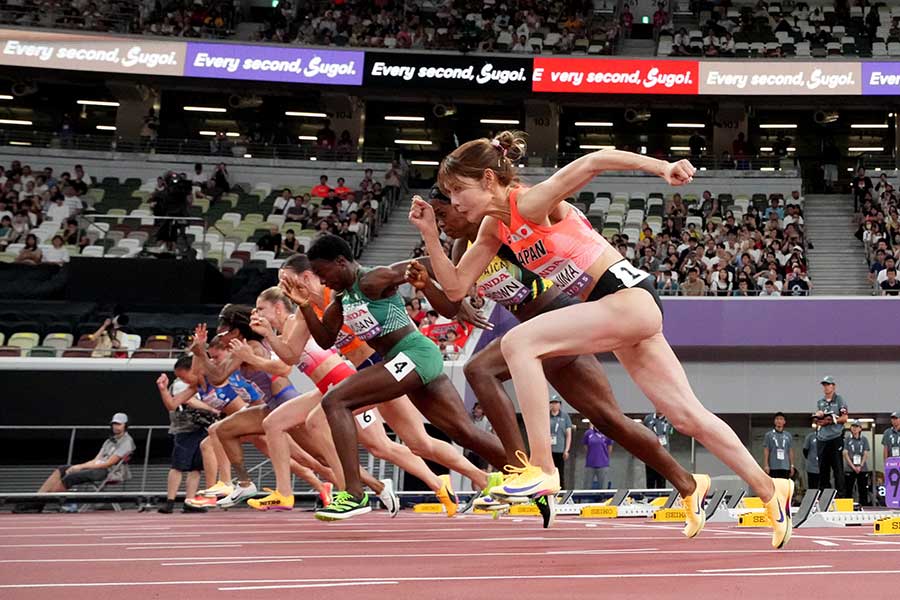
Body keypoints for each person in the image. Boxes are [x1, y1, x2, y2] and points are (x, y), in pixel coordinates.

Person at [412, 131, 792, 548]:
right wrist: (431, 234)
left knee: (520, 344)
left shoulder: (531, 202)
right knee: (687, 417)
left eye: (457, 190)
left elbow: (596, 160)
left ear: (488, 179)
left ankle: (542, 468)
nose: (454, 201)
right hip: (618, 312)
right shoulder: (491, 230)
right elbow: (454, 288)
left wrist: (663, 167)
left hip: (629, 299)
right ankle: (772, 490)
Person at [411, 188, 708, 532]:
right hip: (540, 335)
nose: (442, 222)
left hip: (560, 315)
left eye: (443, 212)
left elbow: (522, 207)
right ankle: (689, 484)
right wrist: (427, 285)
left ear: (465, 203)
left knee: (479, 369)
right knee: (607, 419)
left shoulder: (496, 228)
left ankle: (520, 469)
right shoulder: (463, 249)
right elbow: (451, 302)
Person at [286, 234, 506, 520]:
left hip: (415, 354)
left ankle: (354, 494)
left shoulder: (372, 280)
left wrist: (456, 299)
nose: (323, 281)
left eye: (322, 273)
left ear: (340, 262)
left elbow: (424, 263)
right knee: (462, 431)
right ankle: (520, 470)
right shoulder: (342, 300)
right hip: (403, 362)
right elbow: (326, 339)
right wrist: (304, 304)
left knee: (335, 401)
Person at [235, 286, 460, 515]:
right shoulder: (284, 335)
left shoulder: (296, 322)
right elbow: (282, 362)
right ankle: (287, 493)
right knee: (275, 424)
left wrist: (252, 355)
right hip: (326, 389)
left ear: (278, 307)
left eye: (261, 308)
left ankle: (430, 484)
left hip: (342, 382)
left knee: (382, 447)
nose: (257, 313)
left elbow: (283, 367)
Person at [14, 413, 135, 513]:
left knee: (71, 477)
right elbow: (95, 459)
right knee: (62, 469)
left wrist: (80, 467)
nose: (115, 426)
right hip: (97, 468)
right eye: (114, 424)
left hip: (109, 472)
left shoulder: (126, 442)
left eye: (118, 424)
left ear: (126, 425)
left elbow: (108, 463)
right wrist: (79, 466)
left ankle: (41, 503)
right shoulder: (109, 441)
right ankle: (36, 499)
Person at [155, 364, 217, 514]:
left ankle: (190, 502)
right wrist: (212, 409)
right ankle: (170, 500)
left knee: (195, 468)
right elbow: (187, 401)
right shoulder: (181, 384)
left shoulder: (200, 383)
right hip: (185, 428)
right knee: (178, 465)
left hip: (201, 427)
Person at [815, 375, 848, 492]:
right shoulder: (820, 402)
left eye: (828, 385)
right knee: (823, 469)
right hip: (823, 439)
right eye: (824, 385)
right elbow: (818, 420)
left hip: (835, 438)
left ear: (833, 386)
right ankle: (825, 495)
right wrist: (820, 419)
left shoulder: (839, 400)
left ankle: (841, 495)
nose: (826, 387)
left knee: (837, 468)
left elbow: (845, 418)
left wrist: (832, 420)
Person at [843, 420, 871, 506]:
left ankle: (864, 507)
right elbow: (845, 453)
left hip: (862, 468)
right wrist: (853, 466)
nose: (854, 428)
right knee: (848, 489)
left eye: (857, 427)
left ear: (860, 428)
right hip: (850, 468)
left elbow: (866, 453)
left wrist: (860, 465)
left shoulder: (864, 439)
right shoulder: (847, 439)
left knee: (863, 489)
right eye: (853, 426)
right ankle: (847, 507)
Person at [549, 395, 574, 489]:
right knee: (549, 473)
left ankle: (560, 491)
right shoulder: (547, 416)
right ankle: (549, 491)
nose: (554, 405)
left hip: (560, 449)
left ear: (560, 405)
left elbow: (568, 434)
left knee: (560, 472)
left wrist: (566, 450)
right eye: (552, 403)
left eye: (556, 403)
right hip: (548, 450)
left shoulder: (565, 416)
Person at [643, 413, 673, 489]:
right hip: (650, 454)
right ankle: (650, 499)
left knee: (661, 481)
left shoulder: (669, 419)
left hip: (663, 455)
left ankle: (661, 498)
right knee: (650, 481)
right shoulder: (648, 418)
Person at [763, 412, 794, 480]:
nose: (779, 421)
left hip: (785, 466)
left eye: (781, 419)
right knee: (775, 486)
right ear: (774, 421)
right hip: (773, 466)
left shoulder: (788, 435)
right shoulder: (769, 435)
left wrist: (791, 465)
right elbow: (766, 450)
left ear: (784, 421)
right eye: (777, 419)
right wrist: (766, 465)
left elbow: (790, 451)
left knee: (784, 485)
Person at [583, 424, 613, 489]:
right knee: (587, 486)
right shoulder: (588, 433)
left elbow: (609, 447)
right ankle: (586, 499)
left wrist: (605, 457)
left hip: (603, 464)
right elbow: (586, 446)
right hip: (590, 464)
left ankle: (603, 499)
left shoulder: (607, 433)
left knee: (603, 487)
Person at [803, 419, 820, 491]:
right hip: (812, 467)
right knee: (812, 487)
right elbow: (805, 450)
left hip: (823, 467)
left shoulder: (828, 437)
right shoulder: (810, 436)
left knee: (823, 486)